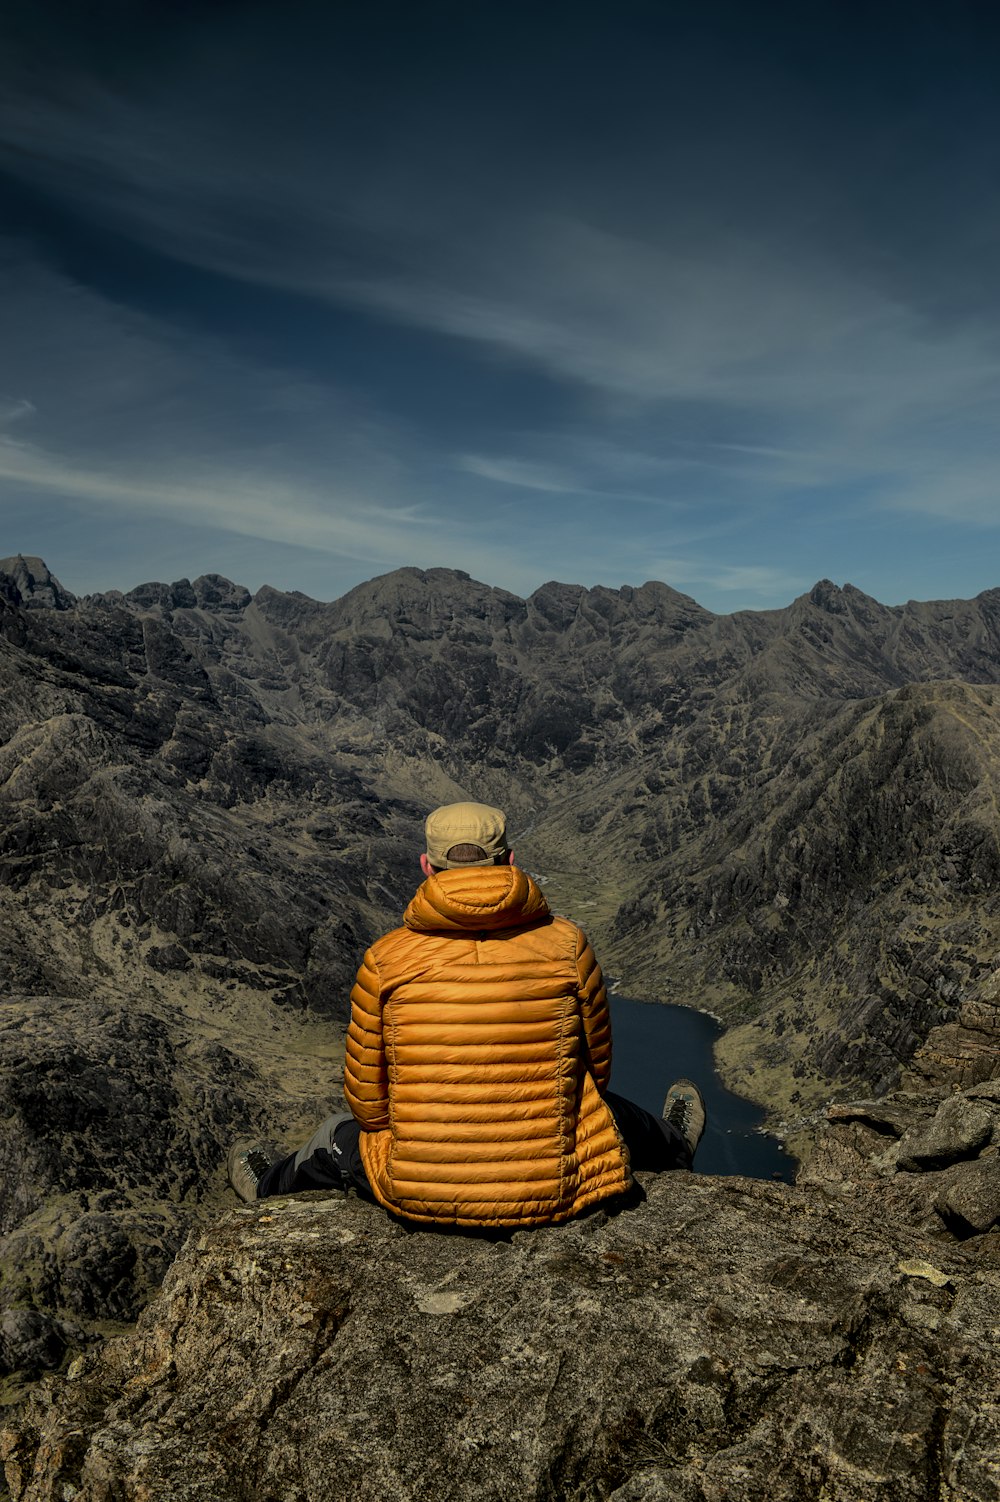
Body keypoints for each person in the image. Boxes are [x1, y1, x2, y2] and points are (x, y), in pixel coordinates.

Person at [228, 801, 705, 1228]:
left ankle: (265, 1187)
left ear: (425, 867)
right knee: (609, 1110)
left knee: (334, 1135)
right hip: (555, 1183)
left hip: (418, 1191)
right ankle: (674, 1146)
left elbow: (368, 1107)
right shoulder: (568, 946)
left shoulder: (385, 959)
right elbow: (596, 1072)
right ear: (511, 861)